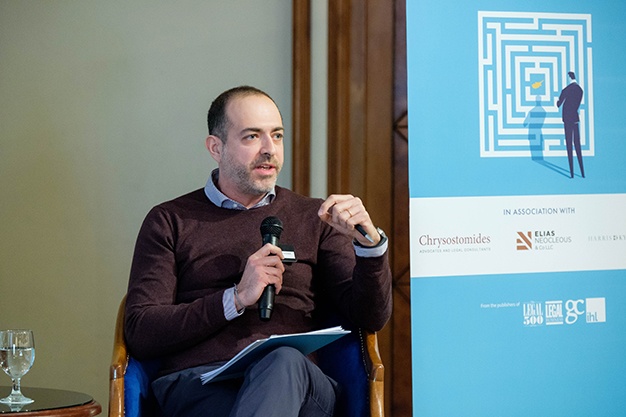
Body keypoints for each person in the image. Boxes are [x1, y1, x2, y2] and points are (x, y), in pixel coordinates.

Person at [124, 85, 393, 417]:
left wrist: (370, 247)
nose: (269, 149)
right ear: (216, 147)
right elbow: (141, 331)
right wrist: (235, 299)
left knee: (282, 360)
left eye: (277, 136)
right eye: (252, 137)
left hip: (297, 386)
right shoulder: (170, 220)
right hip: (202, 385)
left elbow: (370, 317)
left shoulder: (316, 217)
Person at [556, 71, 585, 178]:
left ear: (569, 77)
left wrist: (557, 101)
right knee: (577, 143)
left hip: (567, 119)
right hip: (575, 118)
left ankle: (572, 173)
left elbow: (559, 104)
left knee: (569, 144)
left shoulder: (567, 89)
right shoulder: (580, 90)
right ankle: (582, 172)